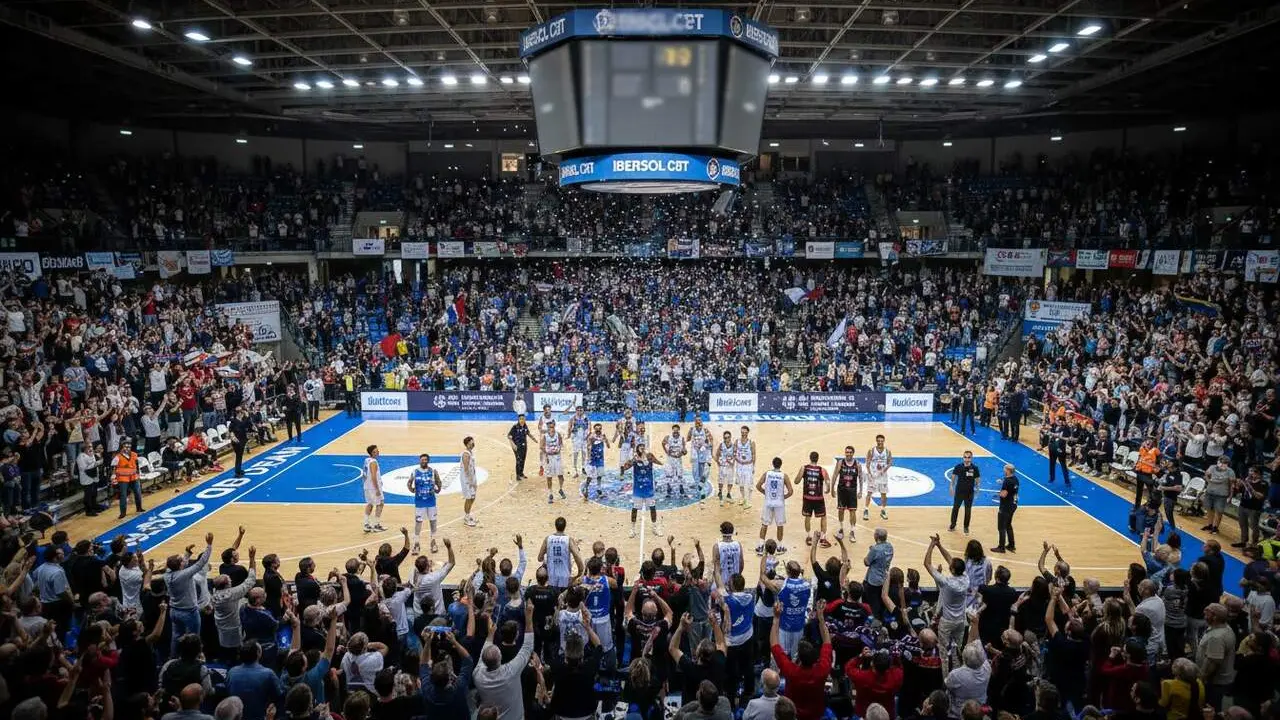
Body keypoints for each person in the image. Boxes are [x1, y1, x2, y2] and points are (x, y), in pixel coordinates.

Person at [769, 599, 831, 720]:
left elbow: (774, 644)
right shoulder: (822, 669)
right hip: (816, 714)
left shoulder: (791, 670)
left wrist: (776, 618)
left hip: (792, 714)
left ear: (799, 659)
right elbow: (827, 642)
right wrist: (821, 618)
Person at [925, 534, 970, 666]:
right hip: (961, 620)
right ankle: (957, 671)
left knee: (943, 651)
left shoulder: (947, 582)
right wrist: (940, 545)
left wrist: (932, 545)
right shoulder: (966, 578)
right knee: (958, 649)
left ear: (952, 570)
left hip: (947, 621)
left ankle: (946, 678)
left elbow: (927, 564)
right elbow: (951, 561)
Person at [1195, 603, 1236, 710]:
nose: (1204, 612)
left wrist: (1200, 680)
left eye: (1207, 612)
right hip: (1219, 681)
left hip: (1213, 682)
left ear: (1215, 617)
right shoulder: (1226, 627)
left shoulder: (1216, 637)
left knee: (1210, 707)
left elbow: (1212, 664)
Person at [622, 442, 665, 538]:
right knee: (635, 509)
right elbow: (625, 468)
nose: (642, 448)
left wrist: (656, 461)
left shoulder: (649, 456)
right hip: (638, 489)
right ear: (637, 449)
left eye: (643, 447)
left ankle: (655, 527)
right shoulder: (635, 459)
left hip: (649, 488)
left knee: (653, 508)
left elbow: (659, 462)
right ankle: (632, 529)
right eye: (640, 447)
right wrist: (632, 461)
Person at [757, 457, 793, 554]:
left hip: (768, 502)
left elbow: (758, 486)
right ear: (781, 465)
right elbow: (790, 492)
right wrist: (782, 497)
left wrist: (766, 493)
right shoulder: (784, 476)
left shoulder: (767, 474)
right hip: (779, 504)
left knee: (764, 524)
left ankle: (760, 546)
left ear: (772, 464)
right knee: (780, 525)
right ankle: (780, 547)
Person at [409, 452, 442, 554]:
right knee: (418, 522)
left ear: (428, 461)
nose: (423, 461)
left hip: (431, 501)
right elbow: (409, 482)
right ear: (420, 461)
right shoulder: (415, 472)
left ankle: (433, 542)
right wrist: (412, 490)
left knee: (433, 521)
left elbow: (439, 482)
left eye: (425, 460)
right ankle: (416, 544)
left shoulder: (433, 471)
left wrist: (437, 490)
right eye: (422, 460)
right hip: (419, 502)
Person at [537, 516, 582, 591]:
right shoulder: (569, 540)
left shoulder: (548, 539)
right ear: (565, 526)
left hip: (551, 578)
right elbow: (577, 556)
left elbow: (539, 558)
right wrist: (579, 572)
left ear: (555, 526)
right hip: (565, 578)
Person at [798, 451, 830, 547]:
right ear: (817, 458)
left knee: (808, 517)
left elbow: (796, 481)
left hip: (807, 497)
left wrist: (801, 475)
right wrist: (827, 489)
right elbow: (828, 481)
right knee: (823, 517)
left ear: (810, 458)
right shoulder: (822, 470)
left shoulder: (804, 468)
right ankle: (823, 539)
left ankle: (808, 537)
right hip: (818, 498)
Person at [111, 439, 145, 519]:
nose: (127, 448)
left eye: (129, 447)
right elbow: (113, 467)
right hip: (123, 478)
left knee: (138, 492)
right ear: (121, 447)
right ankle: (123, 513)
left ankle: (139, 508)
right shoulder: (117, 457)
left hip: (134, 476)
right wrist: (113, 477)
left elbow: (136, 465)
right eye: (125, 447)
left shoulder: (134, 454)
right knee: (123, 495)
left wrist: (138, 474)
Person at [1200, 455, 1234, 535]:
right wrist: (1209, 481)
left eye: (1224, 463)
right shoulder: (1212, 467)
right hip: (1210, 492)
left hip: (1221, 494)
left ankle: (1215, 528)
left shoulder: (1230, 472)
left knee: (1219, 512)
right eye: (1221, 462)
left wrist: (1230, 496)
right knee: (1209, 510)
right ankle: (1209, 525)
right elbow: (1206, 474)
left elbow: (1232, 485)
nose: (1222, 464)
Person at [863, 528, 894, 618]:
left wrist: (871, 551)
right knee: (882, 600)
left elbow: (867, 562)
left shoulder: (875, 550)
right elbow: (882, 554)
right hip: (884, 578)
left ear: (876, 536)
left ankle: (875, 619)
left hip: (873, 580)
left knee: (873, 603)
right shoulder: (890, 546)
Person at [948, 451, 980, 534]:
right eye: (965, 457)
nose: (967, 459)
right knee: (955, 508)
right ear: (963, 457)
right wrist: (951, 486)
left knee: (968, 510)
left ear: (971, 458)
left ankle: (966, 527)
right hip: (959, 492)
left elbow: (977, 480)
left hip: (969, 493)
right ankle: (953, 524)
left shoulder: (975, 468)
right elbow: (953, 477)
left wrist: (977, 490)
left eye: (969, 457)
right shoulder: (958, 467)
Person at [833, 445, 861, 541]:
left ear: (853, 453)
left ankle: (852, 531)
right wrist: (832, 488)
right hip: (842, 490)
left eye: (850, 452)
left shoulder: (857, 464)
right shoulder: (841, 462)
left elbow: (861, 478)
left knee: (852, 511)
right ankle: (841, 529)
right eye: (847, 452)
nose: (848, 454)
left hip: (852, 490)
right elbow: (835, 475)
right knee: (841, 510)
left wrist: (861, 491)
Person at [537, 418, 566, 504]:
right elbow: (541, 447)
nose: (552, 428)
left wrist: (559, 449)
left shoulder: (558, 435)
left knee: (561, 476)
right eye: (550, 427)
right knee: (549, 477)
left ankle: (560, 489)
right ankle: (550, 493)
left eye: (553, 427)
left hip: (557, 457)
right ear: (548, 428)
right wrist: (547, 452)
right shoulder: (545, 436)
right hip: (549, 458)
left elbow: (561, 444)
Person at [992, 463, 1019, 553]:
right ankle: (1011, 545)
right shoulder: (1015, 479)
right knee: (1008, 525)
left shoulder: (1007, 482)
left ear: (1008, 471)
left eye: (1005, 470)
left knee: (1001, 527)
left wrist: (997, 494)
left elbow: (1004, 494)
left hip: (1005, 506)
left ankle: (1001, 547)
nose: (1004, 471)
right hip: (1013, 505)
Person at [864, 434, 892, 521]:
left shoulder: (887, 451)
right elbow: (867, 463)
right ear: (876, 441)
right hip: (873, 475)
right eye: (878, 441)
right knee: (869, 493)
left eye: (881, 441)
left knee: (883, 494)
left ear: (884, 441)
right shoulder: (871, 451)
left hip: (882, 476)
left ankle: (883, 510)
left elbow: (890, 462)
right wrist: (869, 473)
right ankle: (866, 510)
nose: (880, 442)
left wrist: (885, 469)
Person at [688, 414, 713, 504]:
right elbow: (687, 439)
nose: (698, 422)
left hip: (703, 453)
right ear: (694, 422)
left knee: (703, 472)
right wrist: (690, 433)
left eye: (699, 421)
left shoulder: (705, 430)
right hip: (695, 453)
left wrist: (706, 446)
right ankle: (701, 491)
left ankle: (701, 486)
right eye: (696, 421)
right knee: (695, 472)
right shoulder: (692, 430)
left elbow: (711, 441)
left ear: (702, 422)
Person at [582, 422, 610, 500]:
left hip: (600, 459)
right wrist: (589, 457)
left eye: (599, 429)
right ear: (594, 429)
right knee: (590, 476)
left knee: (599, 475)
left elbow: (608, 446)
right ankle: (586, 487)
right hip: (593, 459)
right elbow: (588, 447)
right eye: (597, 429)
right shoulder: (591, 437)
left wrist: (606, 439)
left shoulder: (603, 436)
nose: (598, 430)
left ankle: (599, 489)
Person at [362, 444, 384, 533]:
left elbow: (364, 475)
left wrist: (366, 483)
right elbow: (374, 476)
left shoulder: (366, 460)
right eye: (375, 451)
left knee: (370, 504)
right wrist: (377, 489)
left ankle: (366, 524)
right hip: (373, 487)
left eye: (377, 450)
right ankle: (376, 525)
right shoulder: (373, 462)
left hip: (367, 487)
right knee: (380, 504)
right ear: (371, 453)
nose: (378, 452)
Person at [663, 423, 688, 498]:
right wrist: (666, 451)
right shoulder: (668, 437)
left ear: (679, 431)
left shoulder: (682, 438)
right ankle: (668, 489)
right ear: (672, 430)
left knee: (680, 474)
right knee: (669, 475)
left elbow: (684, 449)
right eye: (674, 431)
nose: (675, 432)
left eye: (677, 431)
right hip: (670, 459)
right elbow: (663, 443)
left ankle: (681, 488)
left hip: (678, 459)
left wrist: (684, 452)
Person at [735, 426, 756, 509]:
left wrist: (753, 466)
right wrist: (736, 459)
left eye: (745, 432)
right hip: (740, 465)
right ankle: (743, 498)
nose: (743, 433)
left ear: (748, 432)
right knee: (741, 483)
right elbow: (734, 451)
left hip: (748, 465)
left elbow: (754, 454)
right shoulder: (737, 441)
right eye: (742, 432)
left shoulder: (751, 442)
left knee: (748, 484)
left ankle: (748, 501)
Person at [460, 435, 478, 527]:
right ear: (467, 444)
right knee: (468, 498)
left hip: (472, 479)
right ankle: (466, 518)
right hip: (467, 480)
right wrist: (470, 481)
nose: (472, 444)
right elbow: (466, 469)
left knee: (473, 497)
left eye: (473, 442)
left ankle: (469, 513)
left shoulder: (471, 452)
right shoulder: (466, 454)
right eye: (471, 443)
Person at [715, 430, 737, 505]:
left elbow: (735, 455)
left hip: (730, 466)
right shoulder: (721, 445)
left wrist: (733, 462)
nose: (726, 439)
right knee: (721, 480)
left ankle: (728, 493)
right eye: (725, 438)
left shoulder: (734, 446)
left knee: (730, 480)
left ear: (730, 437)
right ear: (723, 438)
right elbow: (717, 454)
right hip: (723, 466)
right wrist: (718, 462)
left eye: (728, 437)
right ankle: (720, 492)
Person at [507, 414, 530, 482]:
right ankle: (517, 475)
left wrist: (533, 438)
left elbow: (528, 433)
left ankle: (521, 473)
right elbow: (509, 436)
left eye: (523, 419)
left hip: (524, 446)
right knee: (518, 460)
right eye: (520, 419)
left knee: (523, 459)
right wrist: (513, 445)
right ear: (518, 419)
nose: (522, 420)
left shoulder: (525, 425)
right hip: (517, 446)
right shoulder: (515, 427)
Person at [568, 405, 590, 479]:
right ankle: (575, 469)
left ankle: (583, 468)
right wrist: (569, 435)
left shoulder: (586, 418)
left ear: (583, 411)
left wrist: (587, 436)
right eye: (578, 410)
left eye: (581, 410)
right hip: (576, 438)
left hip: (584, 438)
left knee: (584, 453)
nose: (580, 411)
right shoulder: (573, 418)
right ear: (576, 411)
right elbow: (569, 427)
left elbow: (589, 427)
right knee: (576, 454)